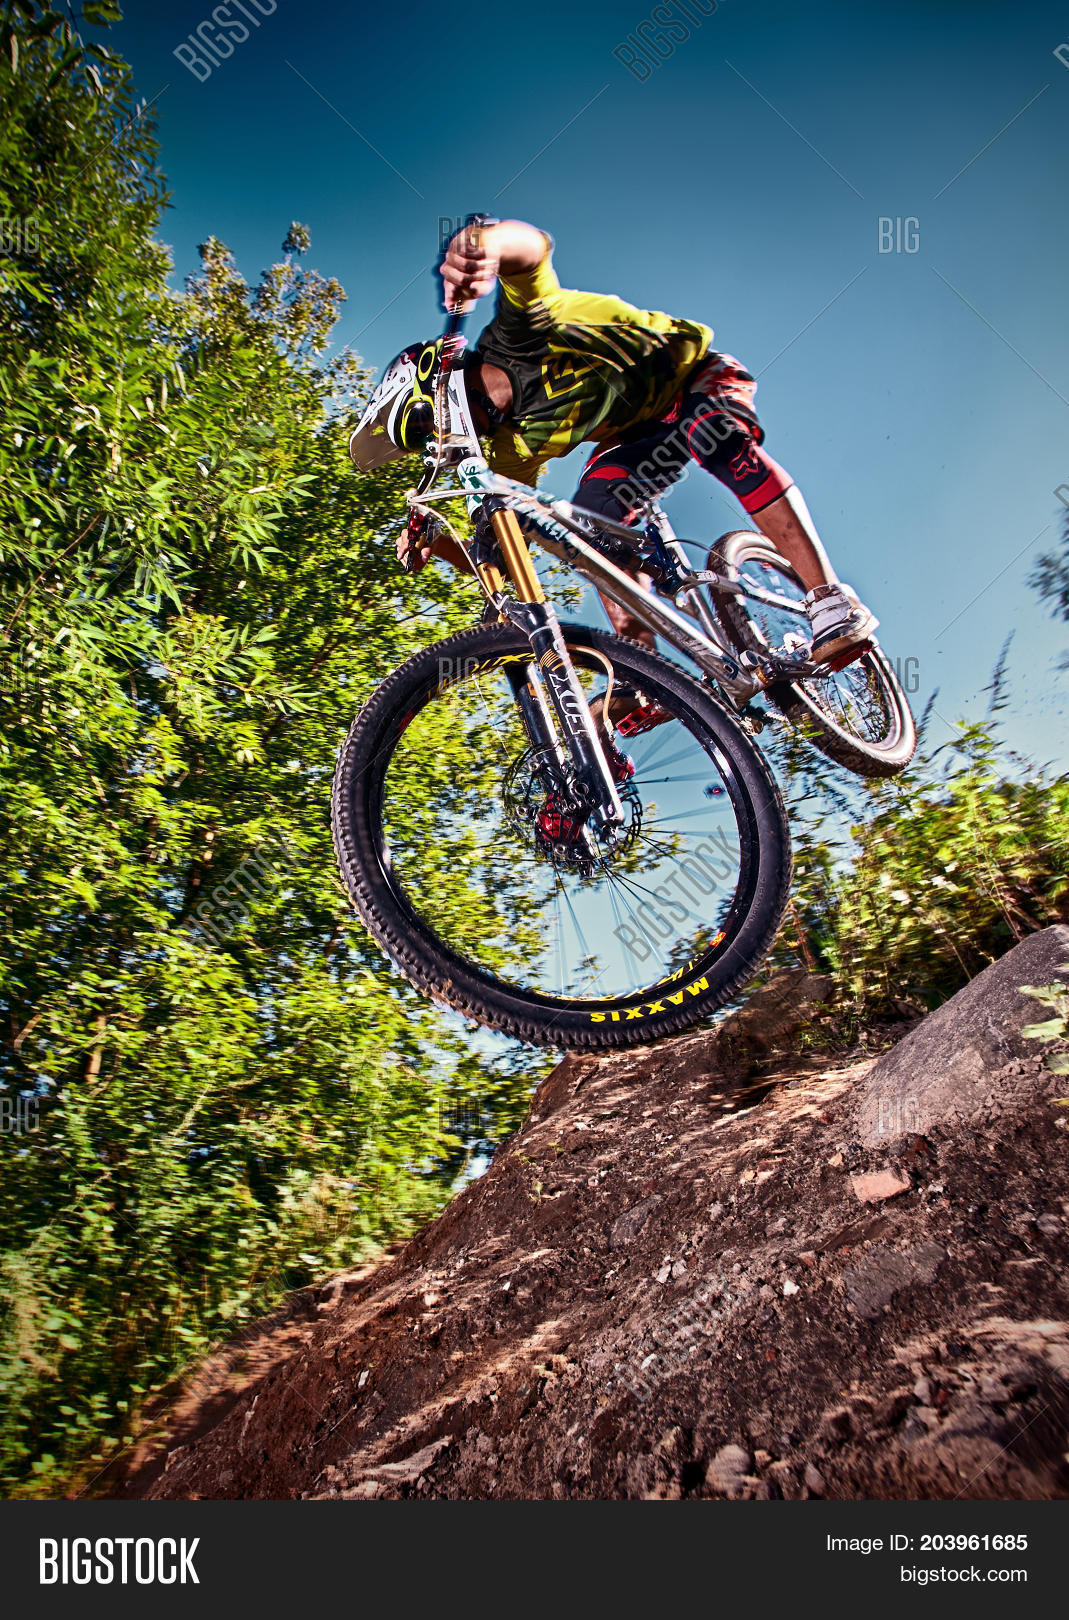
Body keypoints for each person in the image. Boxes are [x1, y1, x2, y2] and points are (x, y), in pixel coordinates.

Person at [349, 217, 878, 673]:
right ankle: (640, 669)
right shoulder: (507, 451)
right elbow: (506, 556)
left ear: (435, 381)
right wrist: (441, 546)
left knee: (712, 435)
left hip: (692, 376)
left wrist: (480, 245)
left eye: (419, 428)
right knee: (585, 523)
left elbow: (528, 251)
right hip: (640, 435)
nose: (432, 444)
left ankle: (830, 599)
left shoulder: (520, 331)